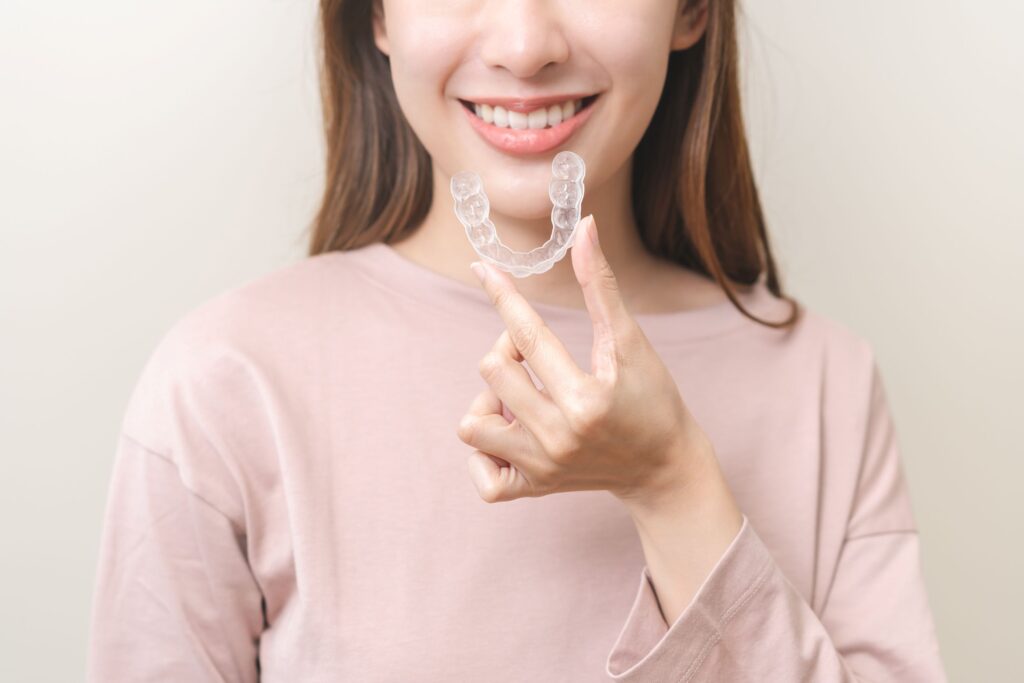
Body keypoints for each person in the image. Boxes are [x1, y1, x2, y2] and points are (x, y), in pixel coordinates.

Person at [86, 0, 948, 680]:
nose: (526, 42)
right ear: (376, 15)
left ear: (692, 10)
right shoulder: (226, 380)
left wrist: (673, 483)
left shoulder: (825, 381)